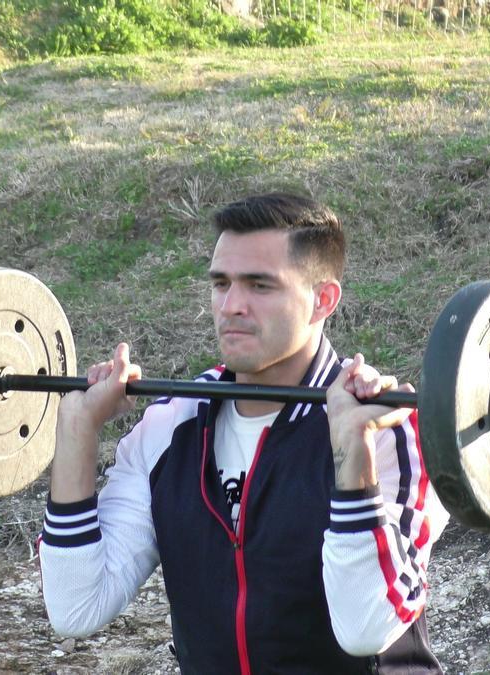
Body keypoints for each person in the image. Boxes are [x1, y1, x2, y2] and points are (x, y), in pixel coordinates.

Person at [38, 192, 450, 674]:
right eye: (221, 283)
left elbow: (365, 628)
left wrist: (350, 451)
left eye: (259, 285)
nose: (231, 306)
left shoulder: (393, 434)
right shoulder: (171, 426)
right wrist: (76, 428)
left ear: (323, 300)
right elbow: (75, 606)